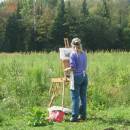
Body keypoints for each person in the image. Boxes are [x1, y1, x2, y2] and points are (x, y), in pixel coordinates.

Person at [64, 37, 88, 122]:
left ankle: (74, 117)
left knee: (75, 98)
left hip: (76, 77)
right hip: (84, 76)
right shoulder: (84, 53)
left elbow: (73, 68)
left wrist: (66, 69)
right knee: (83, 97)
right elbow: (85, 66)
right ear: (80, 44)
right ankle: (83, 115)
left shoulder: (73, 54)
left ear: (72, 45)